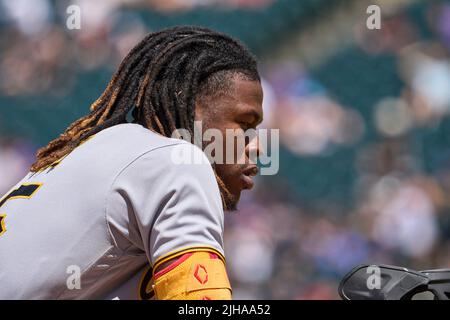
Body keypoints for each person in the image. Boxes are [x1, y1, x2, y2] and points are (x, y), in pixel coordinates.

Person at [0, 25, 264, 299]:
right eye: (245, 125)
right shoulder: (177, 162)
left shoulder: (104, 151)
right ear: (190, 110)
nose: (256, 146)